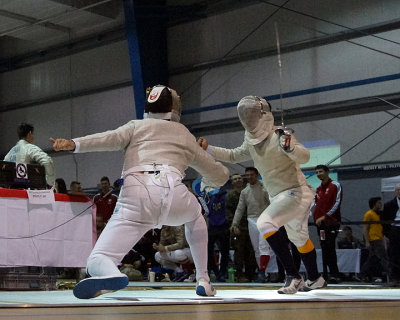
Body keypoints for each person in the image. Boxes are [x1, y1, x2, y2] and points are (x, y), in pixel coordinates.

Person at [50, 84, 229, 299]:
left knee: (98, 258)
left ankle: (110, 273)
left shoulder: (135, 126)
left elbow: (107, 138)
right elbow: (219, 175)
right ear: (173, 107)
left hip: (135, 196)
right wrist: (211, 177)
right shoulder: (184, 134)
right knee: (196, 217)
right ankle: (203, 280)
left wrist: (73, 144)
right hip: (173, 195)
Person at [198, 96, 325, 294]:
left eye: (251, 114)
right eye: (246, 115)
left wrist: (290, 148)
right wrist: (209, 149)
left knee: (265, 223)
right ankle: (315, 278)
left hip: (296, 193)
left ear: (263, 115)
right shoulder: (251, 140)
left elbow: (305, 155)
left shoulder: (280, 136)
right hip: (280, 196)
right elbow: (233, 155)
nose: (248, 119)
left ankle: (293, 276)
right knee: (299, 238)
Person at [231, 167, 271, 281]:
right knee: (256, 249)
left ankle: (265, 271)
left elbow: (272, 204)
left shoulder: (264, 188)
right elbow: (240, 208)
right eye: (247, 175)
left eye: (251, 175)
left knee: (264, 247)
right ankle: (262, 272)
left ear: (257, 175)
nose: (249, 177)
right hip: (251, 220)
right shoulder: (245, 191)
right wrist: (235, 223)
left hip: (265, 219)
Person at [313, 164, 342, 283]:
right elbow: (316, 205)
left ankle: (335, 274)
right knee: (324, 248)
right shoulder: (318, 189)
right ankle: (325, 274)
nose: (319, 174)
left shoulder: (335, 185)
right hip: (320, 225)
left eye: (320, 171)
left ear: (327, 172)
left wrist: (325, 217)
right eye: (317, 172)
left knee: (330, 248)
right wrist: (316, 218)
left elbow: (337, 202)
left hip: (332, 223)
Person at [226, 173, 257, 282]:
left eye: (239, 178)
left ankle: (251, 274)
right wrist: (234, 225)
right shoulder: (230, 196)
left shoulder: (248, 192)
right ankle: (239, 275)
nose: (238, 180)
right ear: (232, 182)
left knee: (251, 251)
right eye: (235, 179)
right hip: (238, 228)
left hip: (251, 225)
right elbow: (229, 212)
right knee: (239, 252)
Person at [360, 197, 388, 282]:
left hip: (379, 237)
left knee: (373, 258)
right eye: (379, 203)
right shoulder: (369, 214)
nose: (381, 204)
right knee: (383, 257)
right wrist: (367, 241)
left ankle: (363, 273)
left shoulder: (379, 214)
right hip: (374, 238)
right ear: (374, 204)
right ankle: (390, 274)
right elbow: (365, 228)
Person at [381, 183, 400, 285]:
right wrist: (387, 234)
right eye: (398, 190)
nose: (399, 191)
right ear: (395, 191)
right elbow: (384, 220)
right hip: (395, 230)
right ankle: (395, 277)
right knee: (394, 254)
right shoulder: (389, 204)